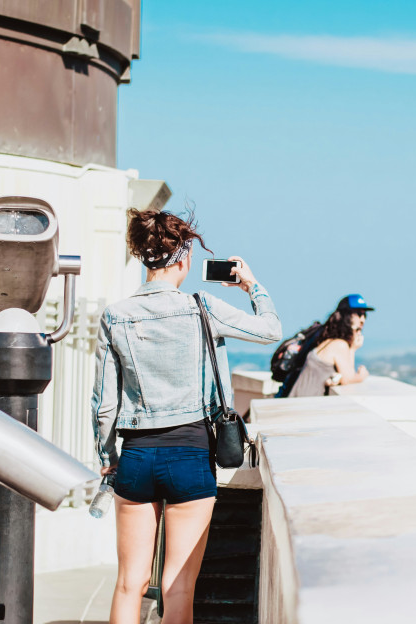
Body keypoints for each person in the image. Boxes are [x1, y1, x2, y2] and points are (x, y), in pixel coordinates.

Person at [91, 208, 281, 624]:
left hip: (137, 457)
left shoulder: (115, 315)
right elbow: (270, 330)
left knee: (129, 584)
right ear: (184, 257)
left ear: (143, 258)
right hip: (191, 455)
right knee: (178, 589)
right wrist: (251, 285)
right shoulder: (203, 307)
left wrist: (108, 459)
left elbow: (105, 403)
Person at [287, 294, 373, 398]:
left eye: (365, 315)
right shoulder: (339, 345)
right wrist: (362, 375)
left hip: (300, 402)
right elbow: (348, 378)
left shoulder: (328, 341)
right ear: (346, 316)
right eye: (359, 314)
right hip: (304, 406)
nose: (362, 320)